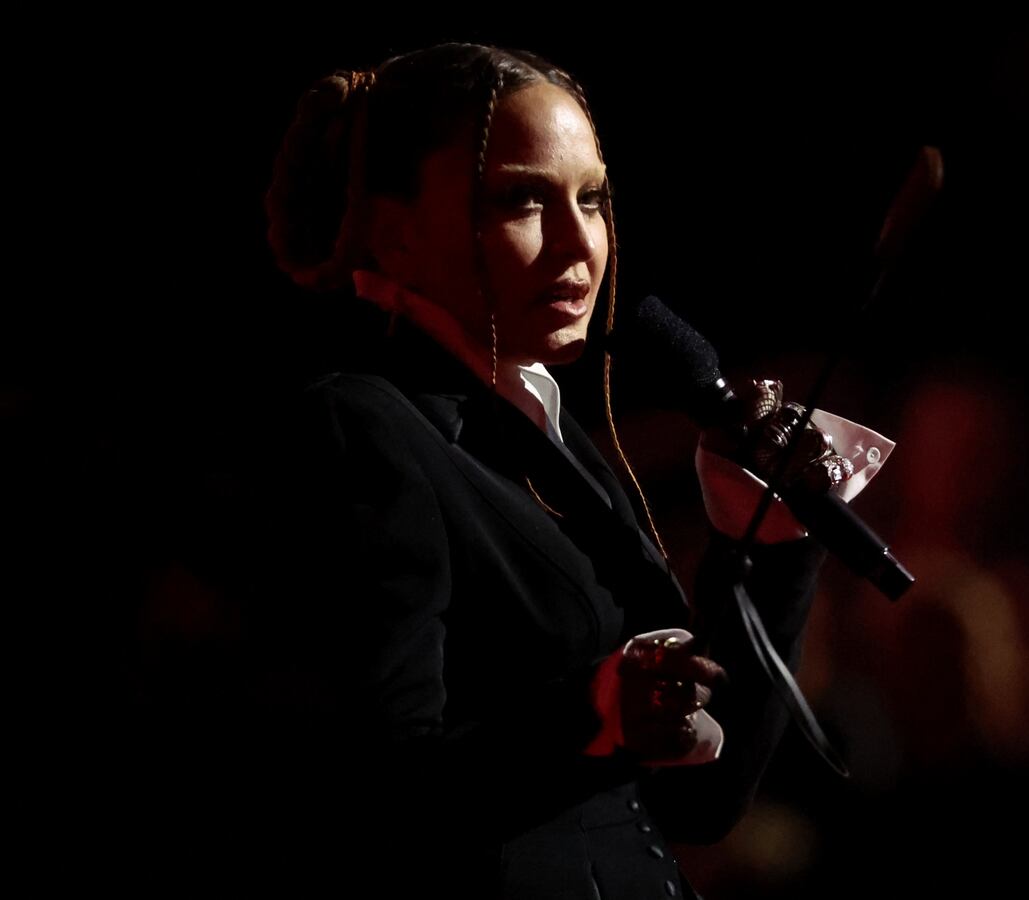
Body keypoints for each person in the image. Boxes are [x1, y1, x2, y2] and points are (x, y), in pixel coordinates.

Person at [240, 41, 862, 898]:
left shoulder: (545, 437)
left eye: (593, 198)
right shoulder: (363, 429)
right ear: (393, 231)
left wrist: (768, 537)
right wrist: (594, 713)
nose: (578, 242)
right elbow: (365, 795)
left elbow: (700, 803)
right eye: (522, 198)